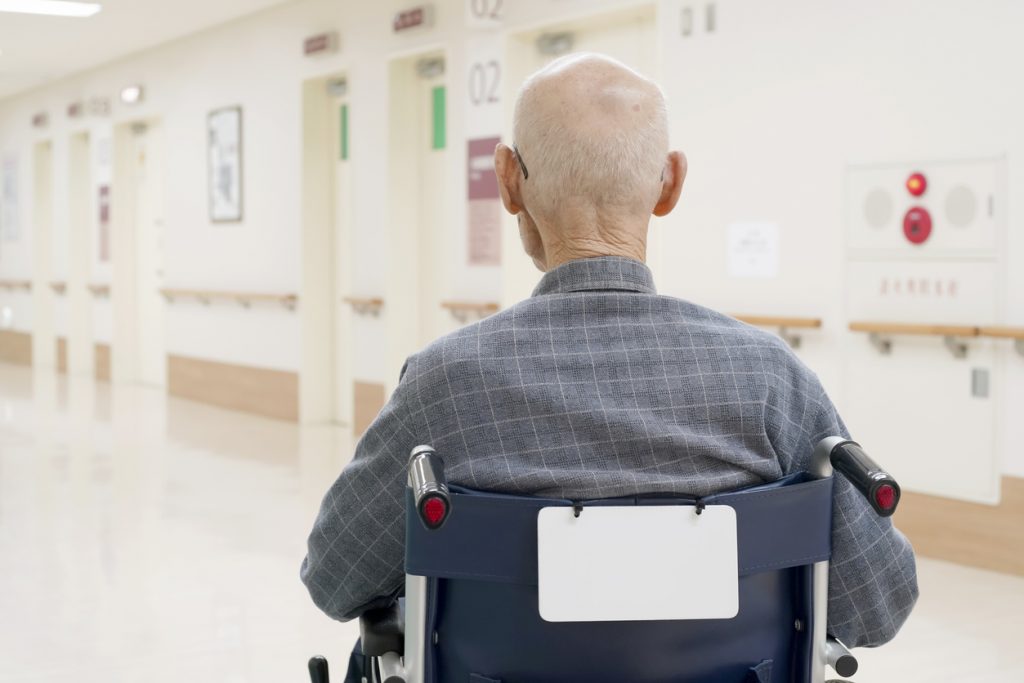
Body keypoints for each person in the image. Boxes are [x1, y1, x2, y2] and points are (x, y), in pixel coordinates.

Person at [301, 53, 918, 649]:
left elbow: (335, 579)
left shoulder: (449, 384)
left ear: (508, 179)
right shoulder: (770, 380)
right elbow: (876, 608)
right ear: (670, 182)